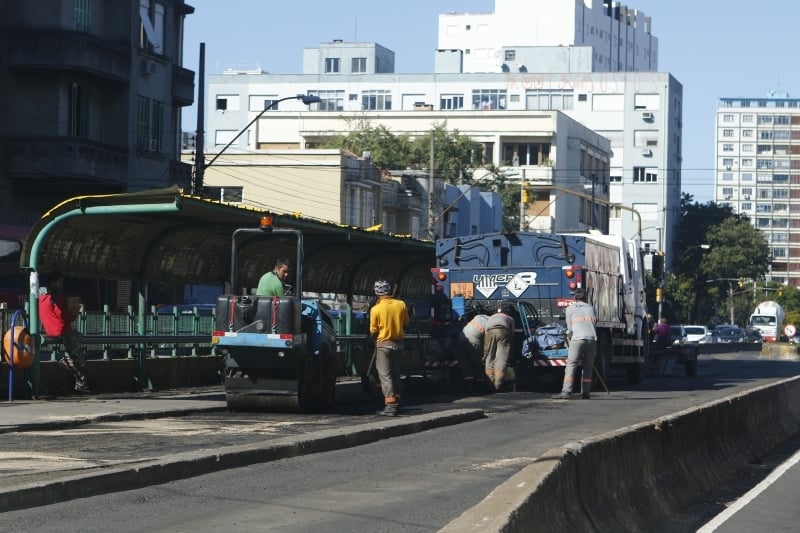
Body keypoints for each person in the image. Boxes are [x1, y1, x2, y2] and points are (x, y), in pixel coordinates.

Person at [38, 271, 91, 393]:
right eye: (60, 282)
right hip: (61, 329)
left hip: (52, 329)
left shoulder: (42, 298)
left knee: (79, 338)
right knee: (79, 358)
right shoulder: (54, 297)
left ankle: (67, 361)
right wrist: (72, 316)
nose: (62, 285)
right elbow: (61, 313)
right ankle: (80, 382)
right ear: (53, 283)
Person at [369, 279, 409, 417]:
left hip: (383, 345)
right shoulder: (401, 304)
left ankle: (390, 406)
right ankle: (397, 401)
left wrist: (374, 341)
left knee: (385, 376)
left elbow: (373, 330)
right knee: (396, 373)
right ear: (390, 290)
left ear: (376, 293)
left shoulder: (376, 309)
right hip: (399, 345)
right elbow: (405, 322)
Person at [554, 289, 597, 400]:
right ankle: (586, 393)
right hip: (591, 339)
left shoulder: (570, 309)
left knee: (571, 365)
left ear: (575, 298)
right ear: (585, 298)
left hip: (577, 339)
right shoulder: (591, 308)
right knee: (588, 366)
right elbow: (594, 323)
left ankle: (566, 392)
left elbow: (569, 328)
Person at [483, 303, 515, 391]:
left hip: (490, 332)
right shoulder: (510, 318)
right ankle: (498, 384)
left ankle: (489, 382)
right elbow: (512, 333)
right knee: (501, 357)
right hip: (503, 331)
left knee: (489, 357)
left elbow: (486, 331)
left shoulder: (491, 317)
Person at [456, 312, 489, 385]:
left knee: (465, 362)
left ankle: (468, 382)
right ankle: (481, 381)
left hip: (461, 339)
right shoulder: (490, 322)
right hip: (473, 341)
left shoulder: (478, 317)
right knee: (477, 361)